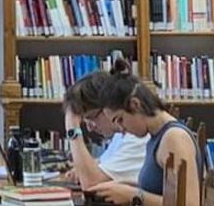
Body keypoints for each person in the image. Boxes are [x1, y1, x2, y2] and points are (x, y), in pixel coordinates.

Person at [61, 62, 200, 206]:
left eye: (120, 119)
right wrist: (126, 186)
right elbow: (160, 190)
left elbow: (189, 203)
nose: (121, 129)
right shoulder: (156, 136)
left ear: (135, 105)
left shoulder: (174, 138)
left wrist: (134, 195)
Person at [61, 99, 147, 185]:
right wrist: (81, 169)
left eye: (91, 119)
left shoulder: (136, 137)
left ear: (107, 109)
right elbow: (102, 163)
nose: (89, 129)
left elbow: (91, 183)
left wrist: (72, 127)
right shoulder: (119, 136)